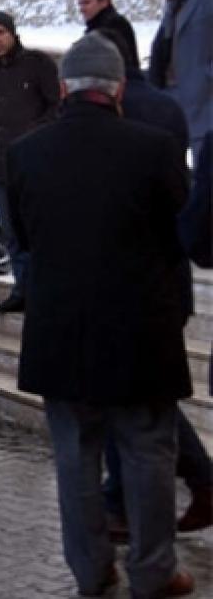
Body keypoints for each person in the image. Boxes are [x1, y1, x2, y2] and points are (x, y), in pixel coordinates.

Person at [9, 33, 194, 598]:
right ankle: (153, 570)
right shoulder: (155, 148)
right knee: (147, 457)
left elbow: (23, 239)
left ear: (64, 89)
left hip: (59, 330)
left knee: (75, 459)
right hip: (140, 332)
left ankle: (91, 571)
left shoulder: (25, 153)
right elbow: (176, 236)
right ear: (117, 90)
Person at [94, 28, 213, 538]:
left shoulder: (112, 118)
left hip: (123, 282)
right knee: (147, 397)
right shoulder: (167, 109)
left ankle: (130, 505)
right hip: (166, 282)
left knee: (126, 400)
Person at [0, 11, 60, 314]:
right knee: (12, 234)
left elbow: (55, 107)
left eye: (0, 32)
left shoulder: (38, 64)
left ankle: (45, 290)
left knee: (39, 231)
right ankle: (22, 289)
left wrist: (31, 137)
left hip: (35, 166)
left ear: (12, 32)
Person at [149, 0, 213, 157]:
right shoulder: (173, 5)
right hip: (172, 97)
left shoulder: (208, 0)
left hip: (203, 100)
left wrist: (206, 77)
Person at [77, 0, 140, 69]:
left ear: (104, 2)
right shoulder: (102, 25)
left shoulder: (113, 26)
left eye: (87, 3)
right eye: (80, 4)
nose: (81, 9)